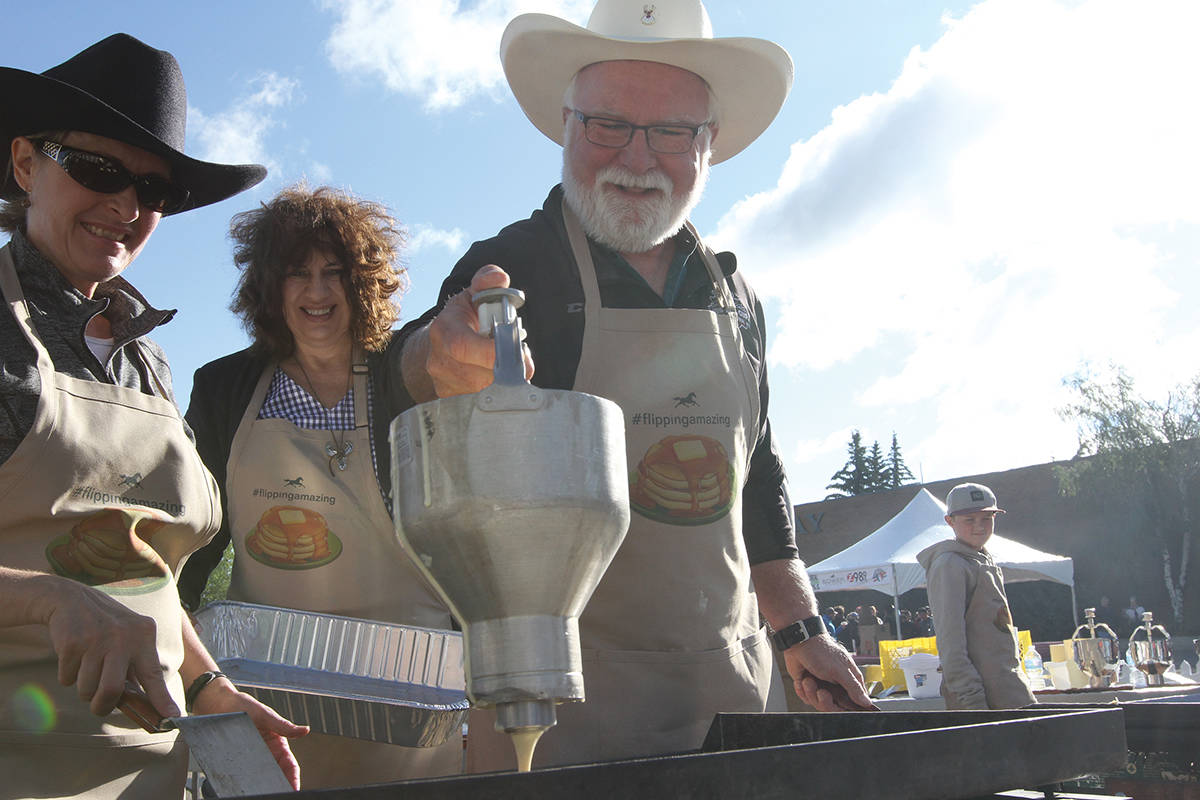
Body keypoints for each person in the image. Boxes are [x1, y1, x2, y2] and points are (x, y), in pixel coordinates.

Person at [395, 0, 872, 770]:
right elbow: (408, 375)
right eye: (608, 124)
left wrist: (799, 629)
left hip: (729, 695)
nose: (638, 160)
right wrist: (435, 363)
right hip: (556, 708)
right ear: (567, 123)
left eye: (673, 132)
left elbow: (758, 478)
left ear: (708, 145)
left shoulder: (737, 296)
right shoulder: (514, 269)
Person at [0, 34, 307, 797]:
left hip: (153, 771)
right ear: (25, 164)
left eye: (153, 190)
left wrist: (208, 689)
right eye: (99, 170)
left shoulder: (147, 359)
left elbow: (150, 571)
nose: (126, 206)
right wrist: (49, 598)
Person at [177, 185, 461, 788]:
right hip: (271, 698)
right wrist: (170, 636)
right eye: (297, 274)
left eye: (335, 272)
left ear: (364, 284)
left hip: (411, 697)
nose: (317, 292)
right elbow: (195, 535)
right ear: (269, 288)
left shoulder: (400, 377)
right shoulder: (225, 389)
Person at [917, 483, 1035, 709]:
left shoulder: (982, 559)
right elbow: (951, 642)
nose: (979, 527)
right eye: (969, 520)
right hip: (981, 696)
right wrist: (971, 699)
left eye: (986, 519)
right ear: (950, 521)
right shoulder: (949, 564)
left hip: (1008, 688)